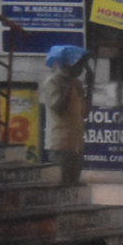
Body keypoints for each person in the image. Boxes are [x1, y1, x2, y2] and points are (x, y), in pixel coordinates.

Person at [41, 46, 91, 186]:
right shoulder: (53, 82)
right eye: (79, 64)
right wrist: (69, 85)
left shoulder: (77, 83)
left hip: (76, 144)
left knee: (73, 185)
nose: (82, 68)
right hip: (59, 144)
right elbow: (59, 109)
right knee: (61, 185)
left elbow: (85, 112)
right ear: (69, 64)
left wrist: (90, 87)